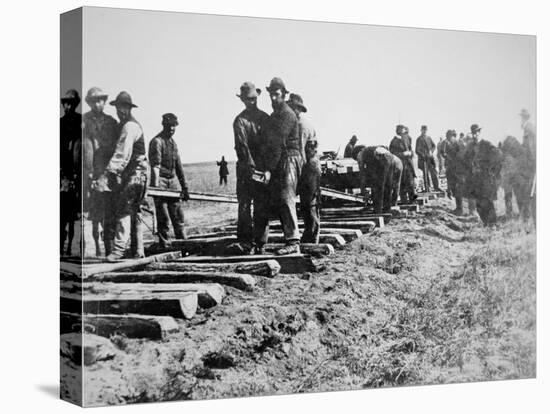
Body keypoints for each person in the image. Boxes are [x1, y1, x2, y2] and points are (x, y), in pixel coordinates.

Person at [255, 77, 303, 255]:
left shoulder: (286, 114)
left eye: (277, 95)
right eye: (271, 95)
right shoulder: (275, 114)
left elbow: (277, 143)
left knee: (285, 197)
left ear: (283, 94)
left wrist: (268, 169)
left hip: (289, 158)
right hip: (281, 159)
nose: (274, 98)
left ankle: (293, 241)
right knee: (279, 199)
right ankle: (284, 240)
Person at [102, 92, 149, 261]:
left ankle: (119, 251)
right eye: (118, 107)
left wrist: (111, 172)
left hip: (135, 174)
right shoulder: (128, 125)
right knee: (136, 210)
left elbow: (122, 153)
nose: (120, 111)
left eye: (124, 107)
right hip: (139, 173)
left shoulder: (130, 127)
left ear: (129, 108)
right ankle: (138, 251)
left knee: (124, 209)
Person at [231, 81, 270, 254]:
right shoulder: (239, 121)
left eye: (254, 98)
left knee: (261, 206)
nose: (251, 102)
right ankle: (246, 242)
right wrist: (252, 169)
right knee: (245, 206)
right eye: (248, 99)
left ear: (257, 97)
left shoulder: (265, 118)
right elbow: (242, 148)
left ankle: (260, 242)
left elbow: (270, 146)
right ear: (243, 100)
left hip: (262, 170)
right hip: (247, 170)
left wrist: (267, 169)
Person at [84, 87, 119, 256]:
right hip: (92, 172)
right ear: (89, 103)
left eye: (100, 100)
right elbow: (85, 149)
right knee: (95, 213)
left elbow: (117, 148)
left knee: (110, 212)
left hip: (109, 172)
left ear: (105, 102)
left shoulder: (112, 122)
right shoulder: (84, 122)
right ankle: (97, 247)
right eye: (93, 101)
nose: (97, 104)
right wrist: (89, 172)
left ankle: (109, 249)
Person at [149, 113, 190, 248]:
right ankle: (165, 245)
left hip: (172, 182)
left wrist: (185, 187)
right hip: (160, 181)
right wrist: (156, 190)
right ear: (164, 126)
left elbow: (178, 166)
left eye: (174, 126)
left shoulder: (173, 143)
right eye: (169, 126)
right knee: (163, 218)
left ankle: (183, 243)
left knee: (178, 215)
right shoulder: (157, 142)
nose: (172, 129)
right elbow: (155, 167)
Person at [288, 93, 321, 244]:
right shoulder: (303, 123)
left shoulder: (300, 125)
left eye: (292, 107)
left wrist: (296, 174)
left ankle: (312, 237)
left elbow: (301, 152)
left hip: (308, 167)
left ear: (297, 109)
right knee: (309, 203)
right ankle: (311, 234)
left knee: (308, 203)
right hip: (311, 165)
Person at [464, 124, 502, 226]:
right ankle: (486, 223)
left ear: (479, 132)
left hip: (485, 178)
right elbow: (465, 158)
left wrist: (491, 168)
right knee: (478, 203)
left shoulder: (486, 144)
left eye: (476, 132)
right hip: (475, 178)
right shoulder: (471, 146)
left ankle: (493, 224)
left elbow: (498, 154)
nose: (475, 134)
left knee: (487, 201)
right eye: (473, 133)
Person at [60, 89, 82, 256]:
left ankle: (75, 249)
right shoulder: (59, 123)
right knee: (61, 214)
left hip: (77, 172)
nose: (67, 106)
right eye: (65, 103)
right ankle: (61, 248)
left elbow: (82, 148)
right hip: (63, 172)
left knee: (77, 215)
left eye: (70, 103)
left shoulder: (81, 122)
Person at [354, 146, 402, 213]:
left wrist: (363, 188)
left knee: (378, 186)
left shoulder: (361, 154)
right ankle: (386, 209)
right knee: (388, 185)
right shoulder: (370, 150)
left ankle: (378, 210)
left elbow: (362, 172)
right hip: (390, 158)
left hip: (383, 158)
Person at [500, 136, 532, 221]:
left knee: (517, 196)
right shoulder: (507, 154)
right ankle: (515, 214)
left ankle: (521, 215)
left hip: (514, 177)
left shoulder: (520, 152)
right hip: (510, 177)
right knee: (511, 196)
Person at [390, 124, 417, 204]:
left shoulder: (408, 138)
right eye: (400, 130)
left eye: (403, 130)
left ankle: (412, 200)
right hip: (400, 165)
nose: (402, 131)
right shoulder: (394, 141)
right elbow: (392, 154)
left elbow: (411, 149)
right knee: (402, 184)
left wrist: (410, 153)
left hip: (408, 164)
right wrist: (402, 154)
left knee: (411, 183)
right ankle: (404, 201)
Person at [442, 129, 467, 215]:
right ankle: (458, 208)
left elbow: (461, 156)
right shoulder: (447, 143)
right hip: (451, 168)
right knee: (453, 188)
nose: (448, 138)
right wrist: (446, 157)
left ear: (453, 136)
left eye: (450, 136)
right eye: (447, 137)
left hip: (458, 169)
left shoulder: (459, 144)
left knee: (458, 188)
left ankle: (460, 209)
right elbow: (443, 153)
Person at [519, 109, 536, 224]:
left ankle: (528, 217)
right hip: (531, 162)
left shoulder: (528, 127)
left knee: (530, 191)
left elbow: (530, 147)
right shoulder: (529, 126)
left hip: (531, 163)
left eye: (522, 117)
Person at [415, 125, 440, 192]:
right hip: (423, 160)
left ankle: (436, 187)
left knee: (433, 173)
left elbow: (434, 146)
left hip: (430, 159)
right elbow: (417, 150)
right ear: (421, 130)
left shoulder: (429, 138)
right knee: (425, 174)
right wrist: (423, 155)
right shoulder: (419, 139)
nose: (424, 131)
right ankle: (427, 187)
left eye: (425, 130)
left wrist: (431, 151)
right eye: (423, 130)